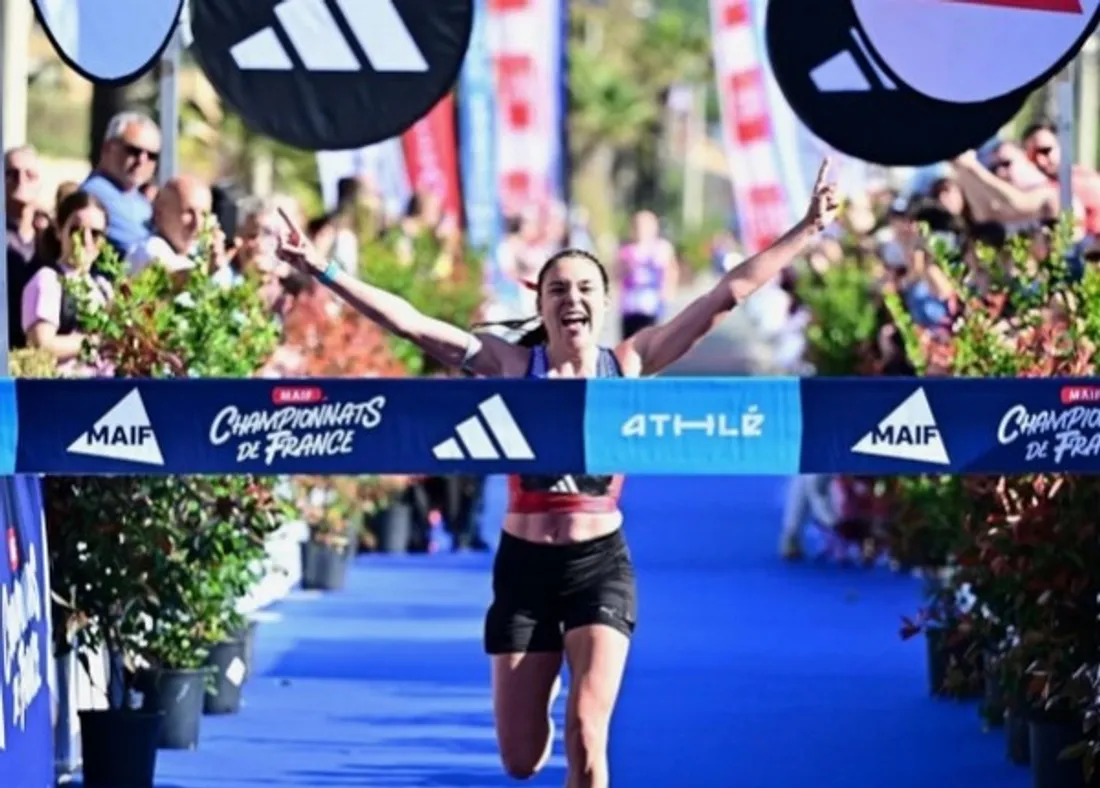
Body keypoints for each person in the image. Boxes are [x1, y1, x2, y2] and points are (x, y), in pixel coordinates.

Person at [273, 160, 840, 788]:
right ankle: (537, 694)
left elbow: (723, 296)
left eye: (583, 289)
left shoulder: (629, 363)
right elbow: (410, 322)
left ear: (604, 301)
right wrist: (320, 269)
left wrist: (808, 229)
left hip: (600, 566)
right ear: (541, 306)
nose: (571, 300)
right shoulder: (511, 367)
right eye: (557, 291)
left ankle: (573, 715)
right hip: (523, 569)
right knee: (521, 760)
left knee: (588, 735)